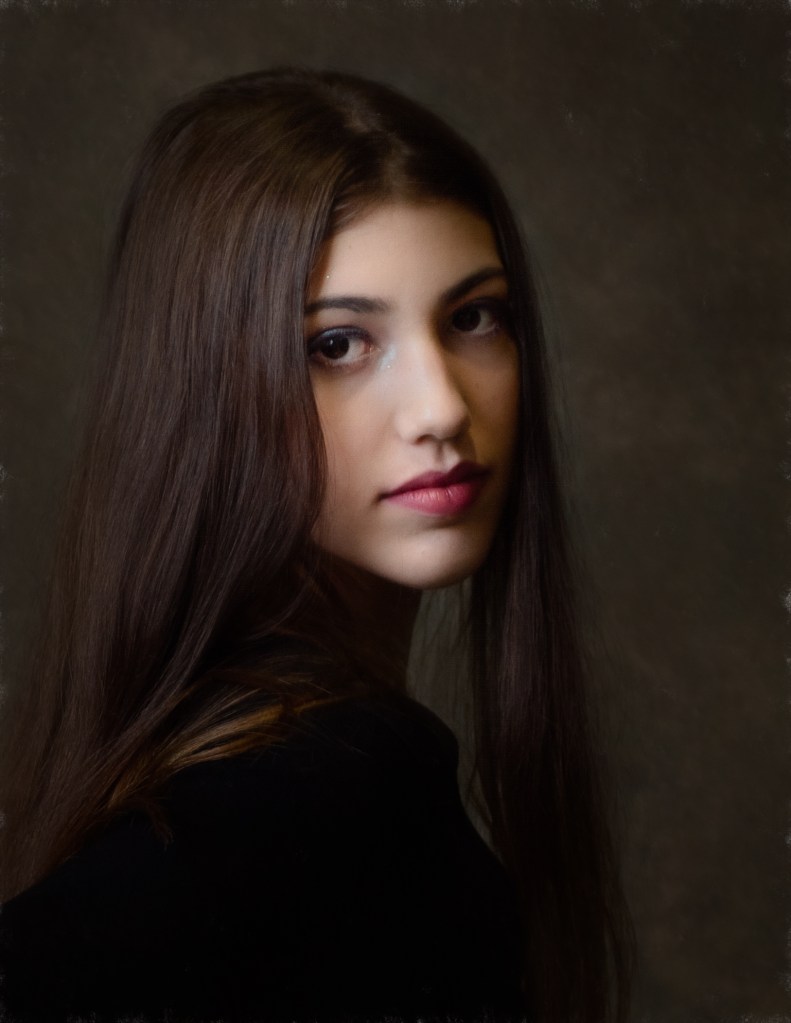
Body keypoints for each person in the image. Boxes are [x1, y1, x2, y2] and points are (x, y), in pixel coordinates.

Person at [0, 68, 633, 1022]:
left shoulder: (281, 770)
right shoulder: (312, 791)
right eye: (337, 344)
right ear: (207, 389)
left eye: (472, 317)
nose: (441, 408)